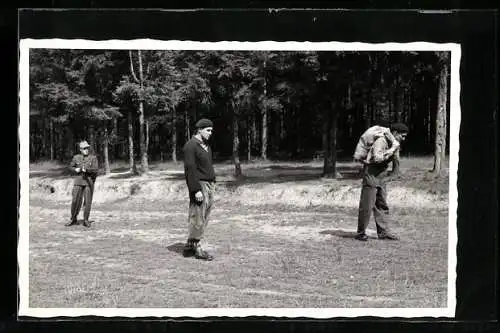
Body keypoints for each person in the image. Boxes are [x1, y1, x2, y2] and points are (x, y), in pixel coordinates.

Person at [355, 123, 409, 241]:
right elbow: (377, 158)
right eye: (402, 136)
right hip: (372, 173)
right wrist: (392, 149)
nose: (403, 138)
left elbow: (396, 160)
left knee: (382, 204)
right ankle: (360, 233)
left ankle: (383, 232)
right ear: (395, 133)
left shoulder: (394, 143)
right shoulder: (382, 141)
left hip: (381, 175)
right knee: (367, 204)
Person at [182, 118, 216, 260]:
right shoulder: (191, 146)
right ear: (199, 130)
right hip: (199, 185)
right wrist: (196, 189)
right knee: (198, 216)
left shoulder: (206, 146)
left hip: (209, 185)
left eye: (211, 130)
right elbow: (190, 169)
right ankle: (198, 247)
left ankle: (190, 246)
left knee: (204, 215)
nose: (210, 133)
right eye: (208, 130)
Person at [66, 140, 99, 228]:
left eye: (87, 148)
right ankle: (73, 218)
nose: (86, 150)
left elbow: (95, 170)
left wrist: (87, 170)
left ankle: (86, 220)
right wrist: (74, 169)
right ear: (80, 149)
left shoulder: (93, 158)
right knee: (75, 201)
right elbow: (70, 167)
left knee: (87, 202)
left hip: (88, 182)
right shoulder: (76, 157)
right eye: (84, 148)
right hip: (78, 182)